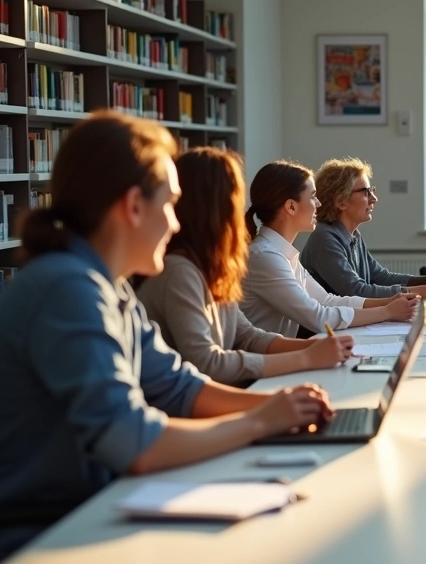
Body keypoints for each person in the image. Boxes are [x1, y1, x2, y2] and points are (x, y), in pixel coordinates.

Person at [0, 113, 336, 564]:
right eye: (170, 204)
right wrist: (259, 422)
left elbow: (180, 386)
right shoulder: (66, 289)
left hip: (87, 507)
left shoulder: (107, 286)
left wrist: (283, 406)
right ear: (133, 206)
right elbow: (134, 442)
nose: (176, 223)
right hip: (34, 537)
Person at [138, 147, 356, 385]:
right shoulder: (180, 271)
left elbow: (247, 335)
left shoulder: (213, 268)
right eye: (234, 200)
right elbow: (207, 364)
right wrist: (305, 357)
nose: (240, 212)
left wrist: (311, 347)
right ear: (213, 207)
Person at [241, 161, 417, 338]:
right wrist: (386, 312)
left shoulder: (282, 254)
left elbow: (327, 301)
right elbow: (319, 317)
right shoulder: (265, 257)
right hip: (266, 361)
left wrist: (389, 302)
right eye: (312, 196)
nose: (318, 203)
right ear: (291, 207)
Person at [301, 157, 426, 300]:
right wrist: (424, 291)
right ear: (341, 201)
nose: (374, 199)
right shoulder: (324, 238)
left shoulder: (352, 235)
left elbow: (380, 277)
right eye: (366, 192)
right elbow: (355, 291)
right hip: (326, 332)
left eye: (372, 191)